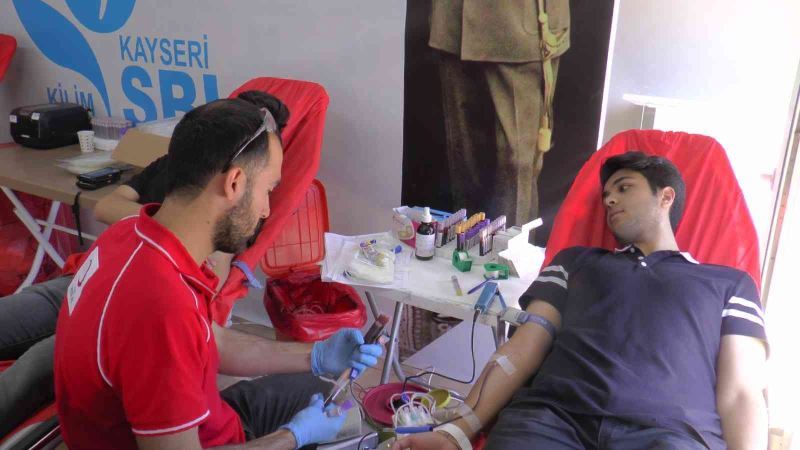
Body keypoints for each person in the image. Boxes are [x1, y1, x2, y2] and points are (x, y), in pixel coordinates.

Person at [392, 152, 768, 450]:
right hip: (550, 421)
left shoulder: (728, 284)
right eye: (606, 196)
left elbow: (741, 394)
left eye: (624, 188)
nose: (610, 200)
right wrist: (457, 431)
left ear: (665, 197)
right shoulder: (575, 262)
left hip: (668, 433)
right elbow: (522, 348)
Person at [0, 90, 288, 438]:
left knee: (40, 358)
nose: (266, 210)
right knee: (36, 361)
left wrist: (313, 355)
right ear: (235, 182)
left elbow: (212, 336)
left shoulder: (129, 235)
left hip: (118, 285)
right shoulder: (166, 307)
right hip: (117, 290)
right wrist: (292, 437)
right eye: (268, 190)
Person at [429, 0, 570, 226]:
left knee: (516, 168)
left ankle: (509, 248)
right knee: (465, 161)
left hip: (521, 28)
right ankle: (468, 247)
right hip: (455, 22)